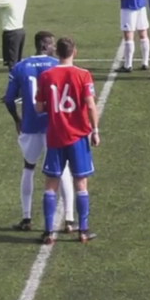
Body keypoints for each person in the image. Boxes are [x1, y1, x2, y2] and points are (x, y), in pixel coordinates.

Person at [3, 31, 76, 233]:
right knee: (62, 170)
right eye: (52, 44)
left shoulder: (20, 66)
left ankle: (26, 218)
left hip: (30, 125)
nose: (54, 48)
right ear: (46, 46)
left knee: (28, 167)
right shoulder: (57, 65)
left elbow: (9, 99)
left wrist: (17, 120)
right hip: (54, 126)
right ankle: (69, 219)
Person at [35, 36, 99, 245]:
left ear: (57, 53)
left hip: (55, 135)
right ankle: (83, 230)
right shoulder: (83, 74)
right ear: (74, 52)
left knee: (51, 184)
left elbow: (39, 107)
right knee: (80, 183)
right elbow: (90, 105)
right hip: (78, 136)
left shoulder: (46, 75)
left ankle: (48, 232)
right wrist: (95, 130)